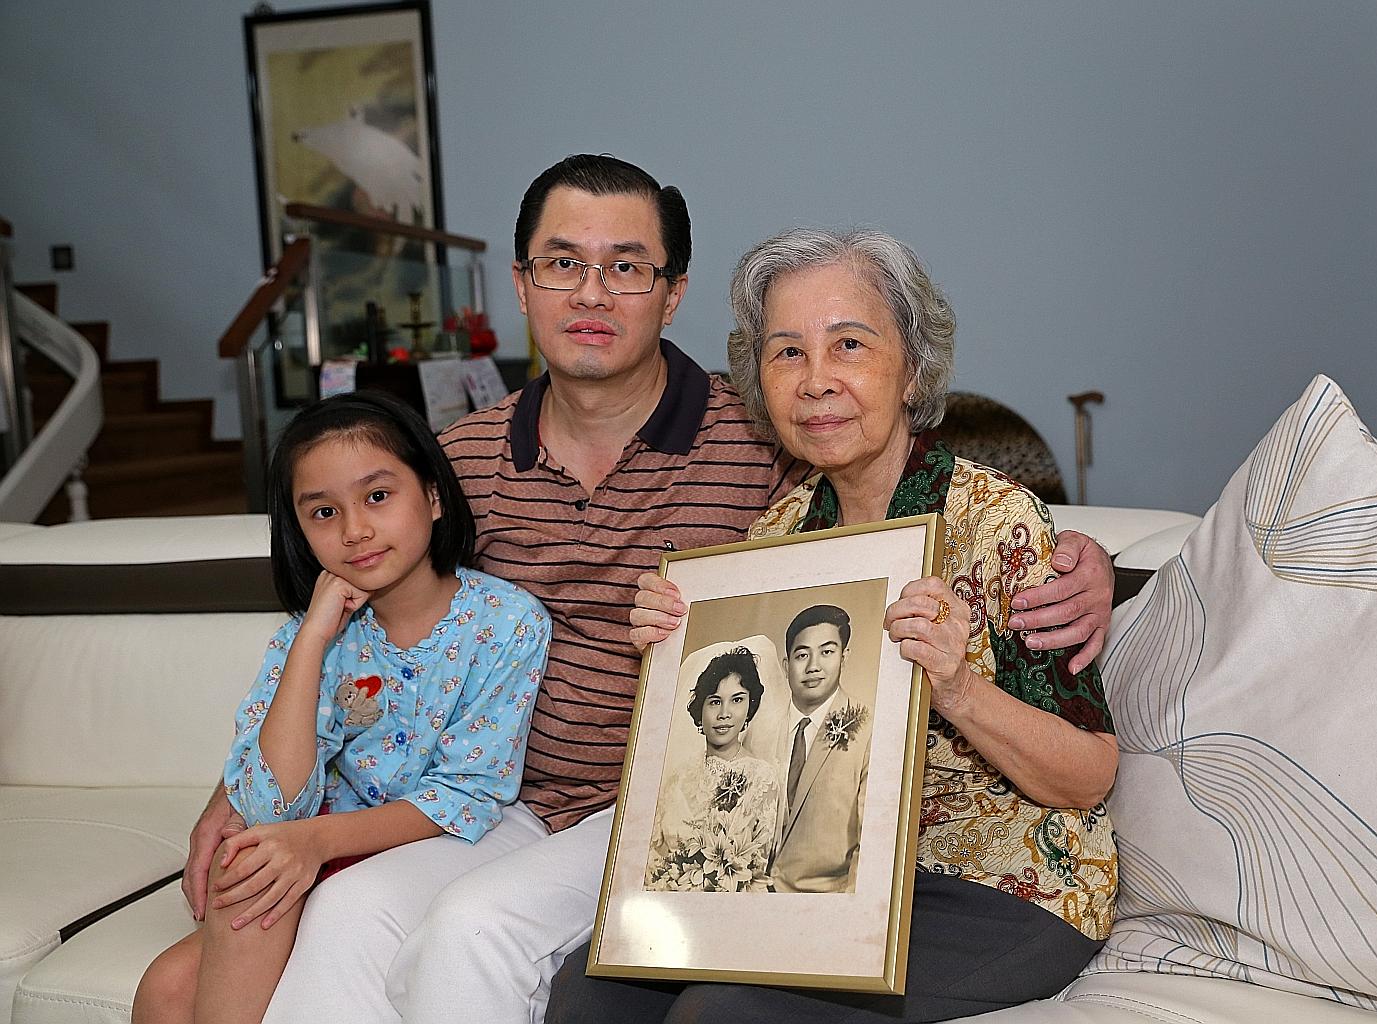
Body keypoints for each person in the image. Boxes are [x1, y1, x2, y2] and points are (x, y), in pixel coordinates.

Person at [178, 155, 1117, 1023]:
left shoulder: (763, 456)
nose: (592, 292)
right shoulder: (455, 466)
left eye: (626, 267)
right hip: (515, 810)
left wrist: (1089, 563)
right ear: (521, 285)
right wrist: (241, 797)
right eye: (561, 263)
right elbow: (354, 592)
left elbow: (966, 560)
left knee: (501, 939)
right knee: (365, 926)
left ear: (670, 296)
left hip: (716, 831)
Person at [551, 227, 1119, 1024]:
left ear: (912, 367)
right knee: (590, 991)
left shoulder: (997, 522)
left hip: (999, 887)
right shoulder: (775, 540)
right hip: (828, 881)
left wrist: (955, 688)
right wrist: (679, 651)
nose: (816, 381)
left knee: (722, 1013)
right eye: (786, 353)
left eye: (848, 344)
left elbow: (1090, 774)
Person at [132, 392, 549, 1024]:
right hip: (320, 845)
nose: (354, 530)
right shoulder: (308, 635)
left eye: (377, 497)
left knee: (260, 867)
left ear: (433, 497)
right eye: (323, 512)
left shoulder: (505, 622)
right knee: (165, 988)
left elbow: (467, 794)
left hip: (424, 849)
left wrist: (310, 841)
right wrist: (313, 641)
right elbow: (270, 802)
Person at [647, 646, 779, 892]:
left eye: (737, 700)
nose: (724, 714)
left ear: (750, 707)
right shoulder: (678, 776)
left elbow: (752, 868)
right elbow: (653, 855)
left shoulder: (761, 778)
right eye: (715, 702)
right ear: (700, 709)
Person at [767, 604, 869, 893]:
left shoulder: (869, 730)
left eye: (827, 652)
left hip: (825, 903)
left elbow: (872, 843)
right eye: (802, 655)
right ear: (787, 666)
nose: (813, 666)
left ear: (843, 657)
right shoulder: (760, 727)